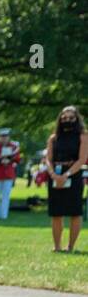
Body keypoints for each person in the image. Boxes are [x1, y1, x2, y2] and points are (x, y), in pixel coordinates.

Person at [46, 106, 87, 252]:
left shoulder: (83, 136)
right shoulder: (54, 138)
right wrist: (54, 175)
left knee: (75, 212)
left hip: (73, 174)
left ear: (76, 119)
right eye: (64, 118)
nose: (67, 120)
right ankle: (57, 246)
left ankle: (70, 247)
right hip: (55, 174)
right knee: (56, 212)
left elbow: (82, 159)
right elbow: (48, 159)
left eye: (70, 118)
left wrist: (66, 175)